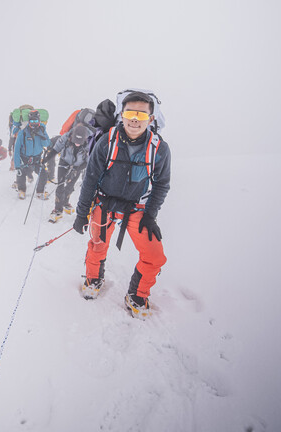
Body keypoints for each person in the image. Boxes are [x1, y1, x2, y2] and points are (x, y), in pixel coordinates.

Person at [72, 91, 171, 319]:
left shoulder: (159, 149)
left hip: (137, 208)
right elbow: (90, 179)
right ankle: (94, 278)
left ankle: (136, 295)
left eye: (141, 114)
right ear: (122, 115)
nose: (135, 119)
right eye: (130, 113)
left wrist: (150, 215)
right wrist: (81, 213)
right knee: (97, 245)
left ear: (151, 118)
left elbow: (162, 184)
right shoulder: (107, 141)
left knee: (154, 256)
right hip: (104, 203)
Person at [42, 124, 90, 223]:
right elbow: (56, 149)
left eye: (79, 142)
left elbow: (89, 161)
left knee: (70, 186)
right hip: (64, 162)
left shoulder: (90, 142)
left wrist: (76, 169)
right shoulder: (66, 137)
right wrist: (46, 158)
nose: (77, 144)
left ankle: (65, 202)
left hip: (78, 166)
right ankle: (58, 210)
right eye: (75, 141)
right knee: (60, 185)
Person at [13, 109, 51, 200]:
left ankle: (40, 192)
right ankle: (21, 190)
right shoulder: (23, 133)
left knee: (44, 174)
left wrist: (42, 134)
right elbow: (17, 149)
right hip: (24, 158)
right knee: (21, 173)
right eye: (32, 121)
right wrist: (17, 166)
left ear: (39, 121)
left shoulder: (42, 130)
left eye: (36, 121)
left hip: (37, 159)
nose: (34, 123)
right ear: (29, 121)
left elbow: (47, 144)